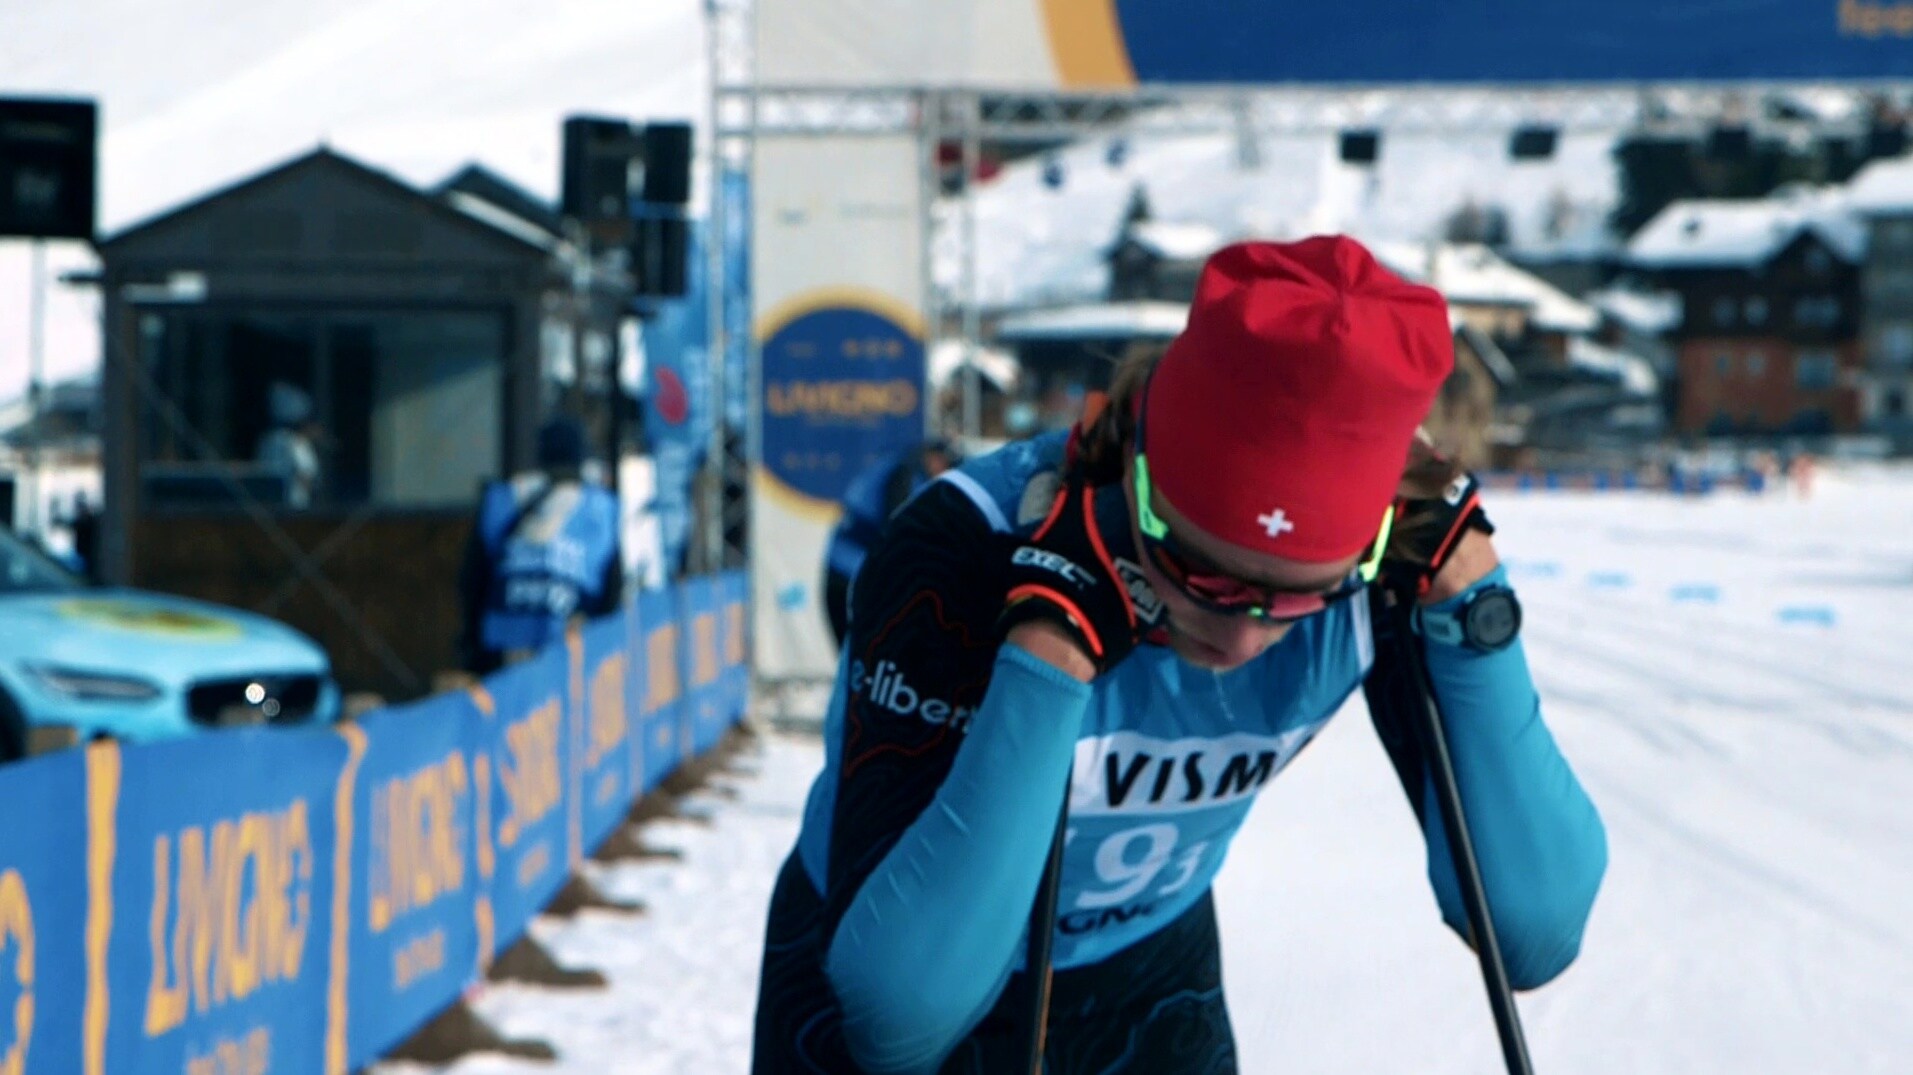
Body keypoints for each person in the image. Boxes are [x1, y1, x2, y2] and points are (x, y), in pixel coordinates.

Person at [750, 237, 1607, 1074]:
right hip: (889, 944)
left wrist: (1475, 613)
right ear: (1140, 480)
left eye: (1300, 595)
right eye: (1199, 571)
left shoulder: (1389, 578)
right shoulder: (966, 545)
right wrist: (1048, 659)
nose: (1238, 634)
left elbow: (1528, 932)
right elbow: (899, 1022)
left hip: (1144, 980)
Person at [458, 415, 623, 674]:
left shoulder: (503, 500)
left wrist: (472, 645)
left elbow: (472, 579)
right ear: (581, 458)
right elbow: (611, 592)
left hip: (502, 655)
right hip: (569, 656)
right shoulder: (600, 510)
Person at [820, 438, 959, 647]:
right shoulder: (904, 474)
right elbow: (900, 532)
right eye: (948, 466)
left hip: (842, 571)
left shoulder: (896, 465)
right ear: (935, 459)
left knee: (858, 661)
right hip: (854, 576)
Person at [256, 382, 324, 508]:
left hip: (270, 507)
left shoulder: (267, 441)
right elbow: (306, 476)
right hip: (293, 509)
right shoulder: (297, 443)